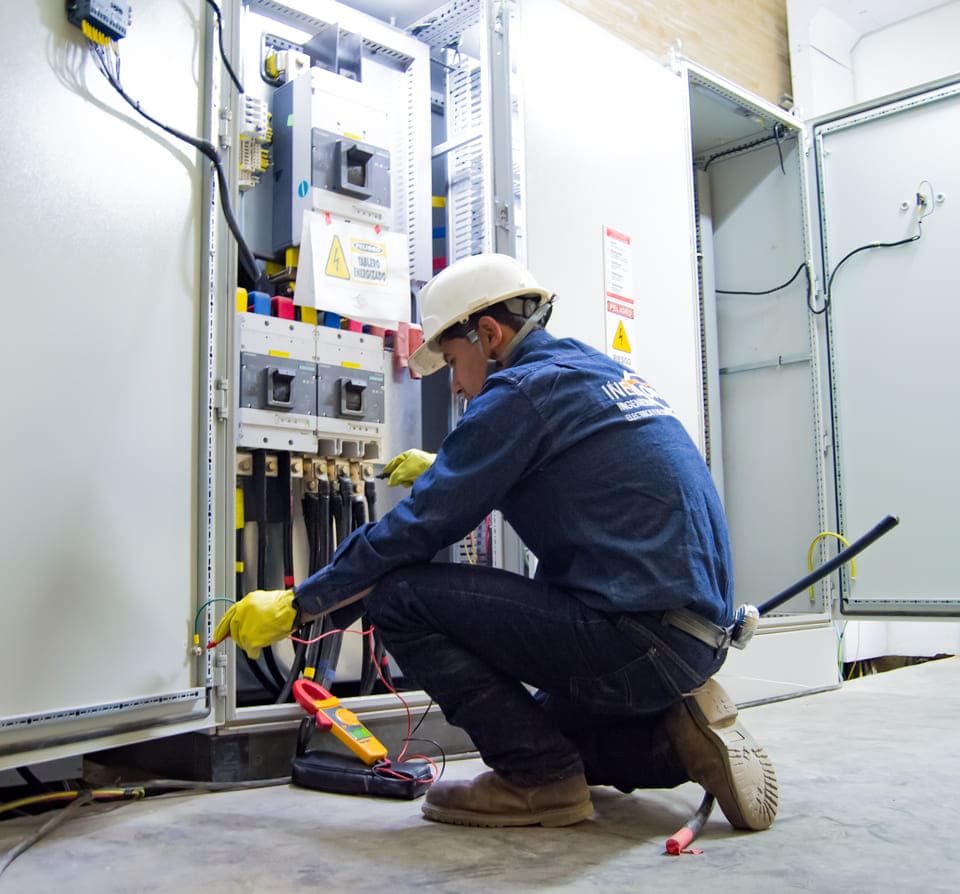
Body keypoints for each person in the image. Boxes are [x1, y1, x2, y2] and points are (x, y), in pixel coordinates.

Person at [214, 253, 778, 830]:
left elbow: (415, 530)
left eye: (455, 361)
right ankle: (673, 737)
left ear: (489, 334)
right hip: (695, 639)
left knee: (400, 596)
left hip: (635, 639)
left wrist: (298, 604)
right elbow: (581, 475)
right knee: (544, 730)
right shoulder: (596, 371)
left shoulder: (517, 393)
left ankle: (540, 784)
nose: (456, 384)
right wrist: (452, 465)